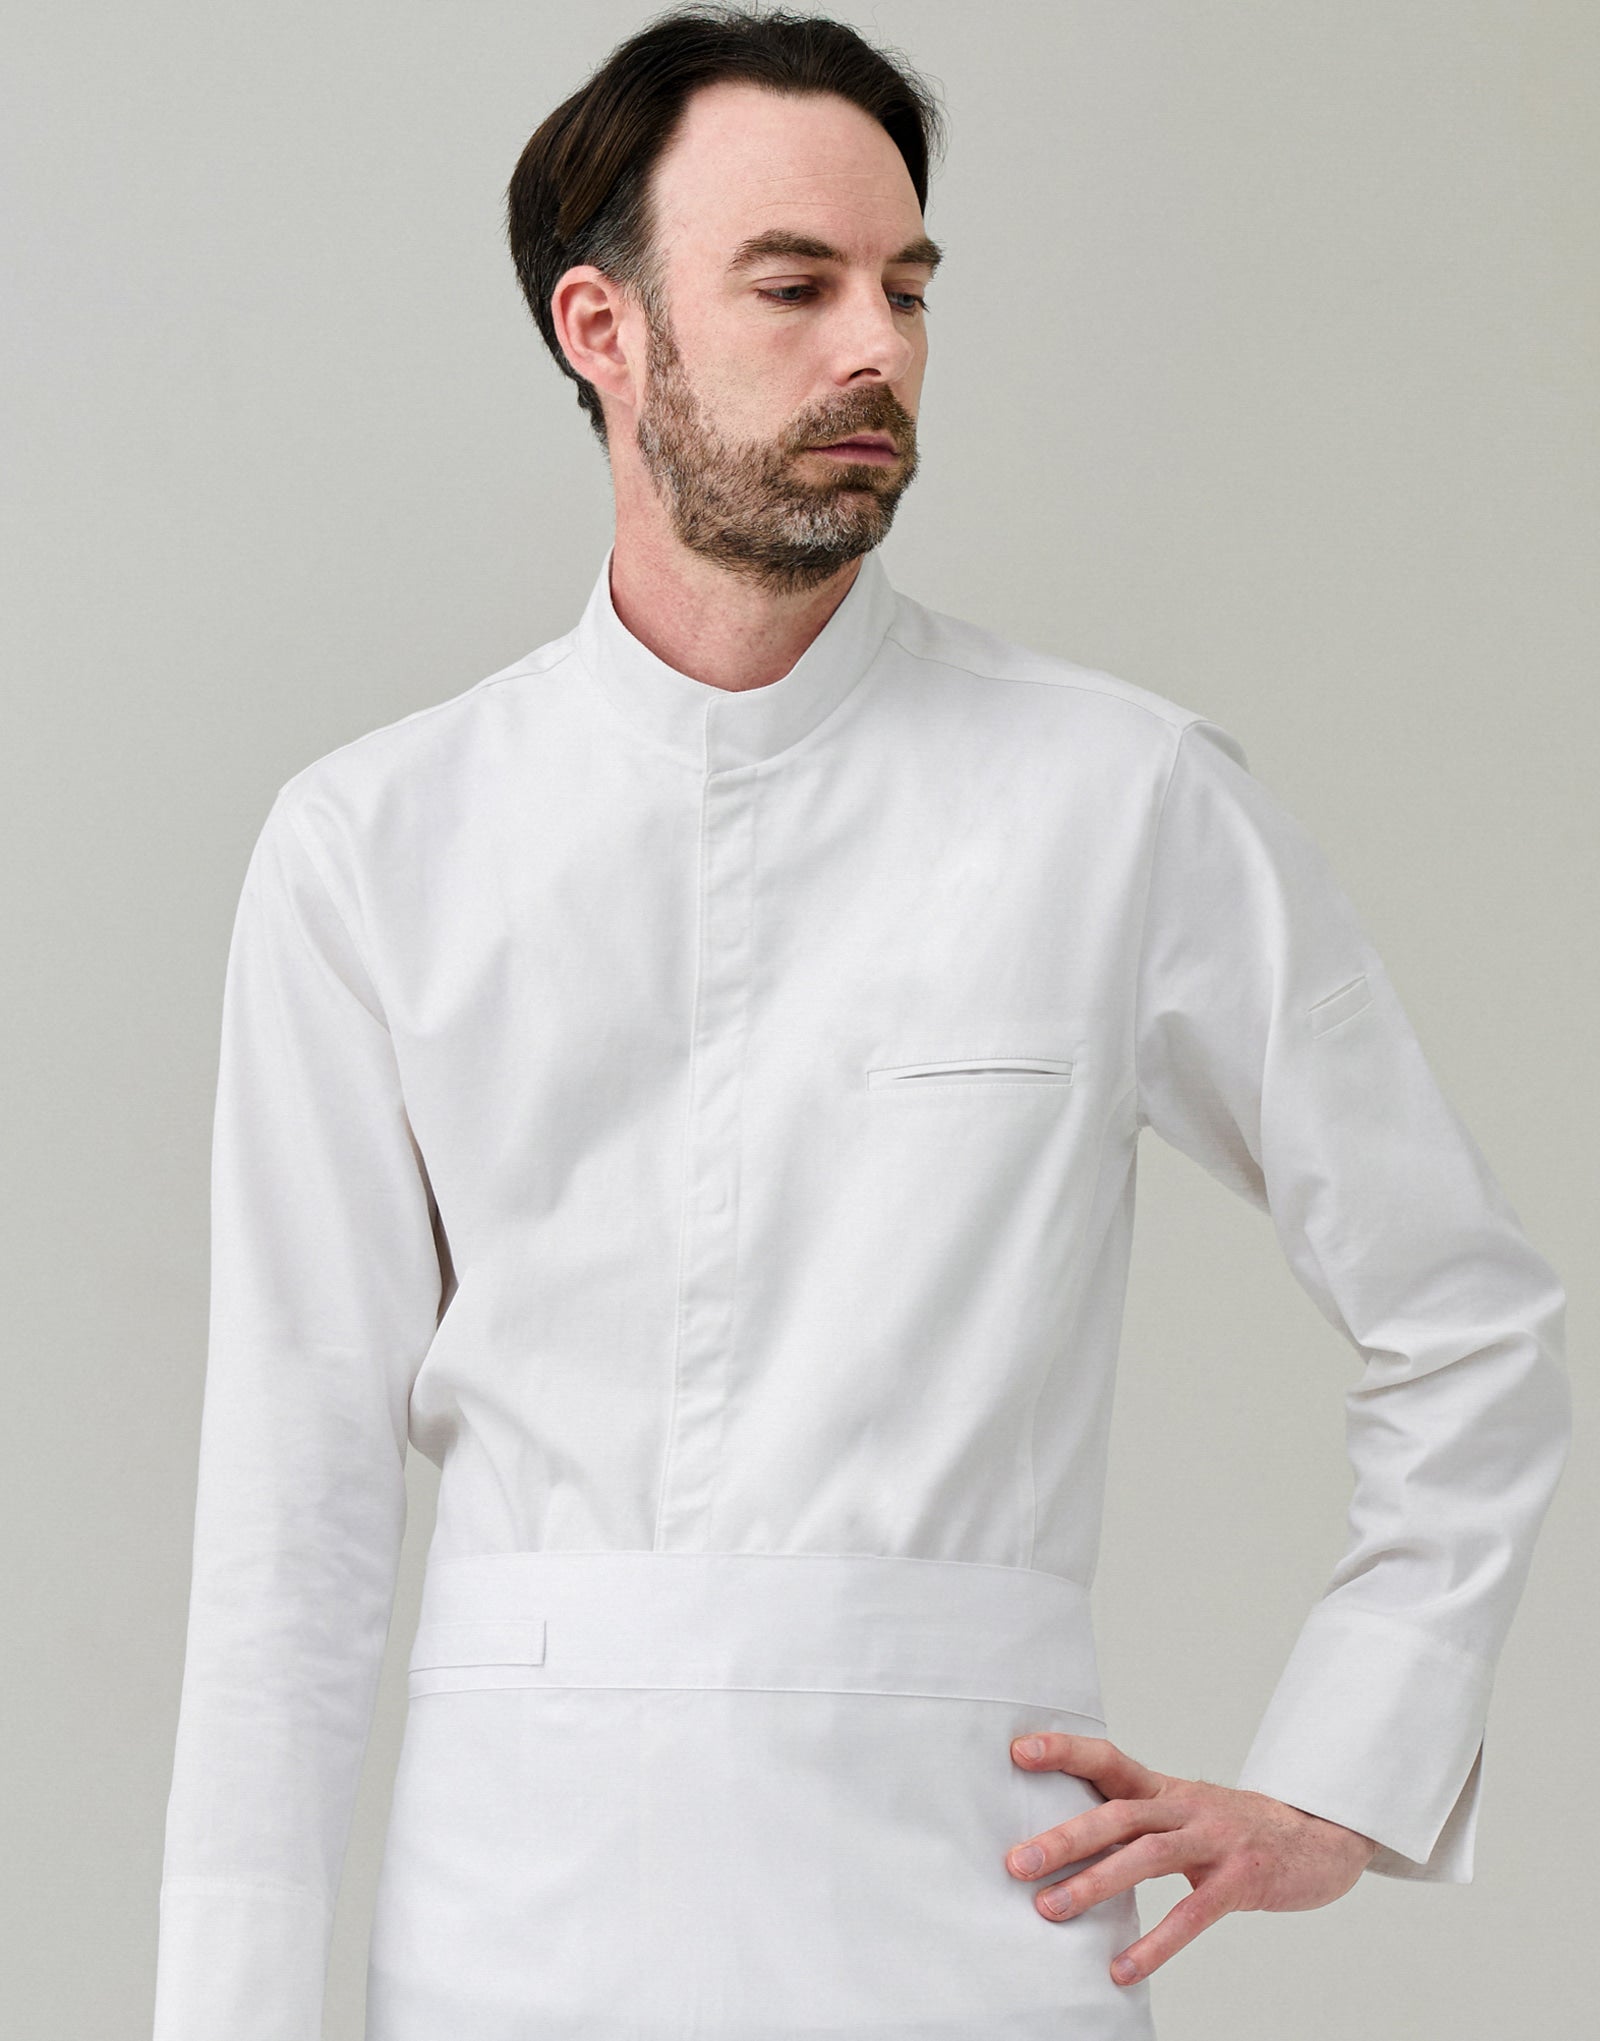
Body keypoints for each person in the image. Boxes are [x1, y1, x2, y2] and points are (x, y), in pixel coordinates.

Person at [151, 7, 1571, 2038]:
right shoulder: (374, 848)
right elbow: (290, 1529)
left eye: (905, 288)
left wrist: (1346, 1773)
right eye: (793, 284)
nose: (874, 350)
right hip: (510, 1944)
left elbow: (1467, 1313)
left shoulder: (1118, 799)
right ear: (601, 329)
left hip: (976, 1928)